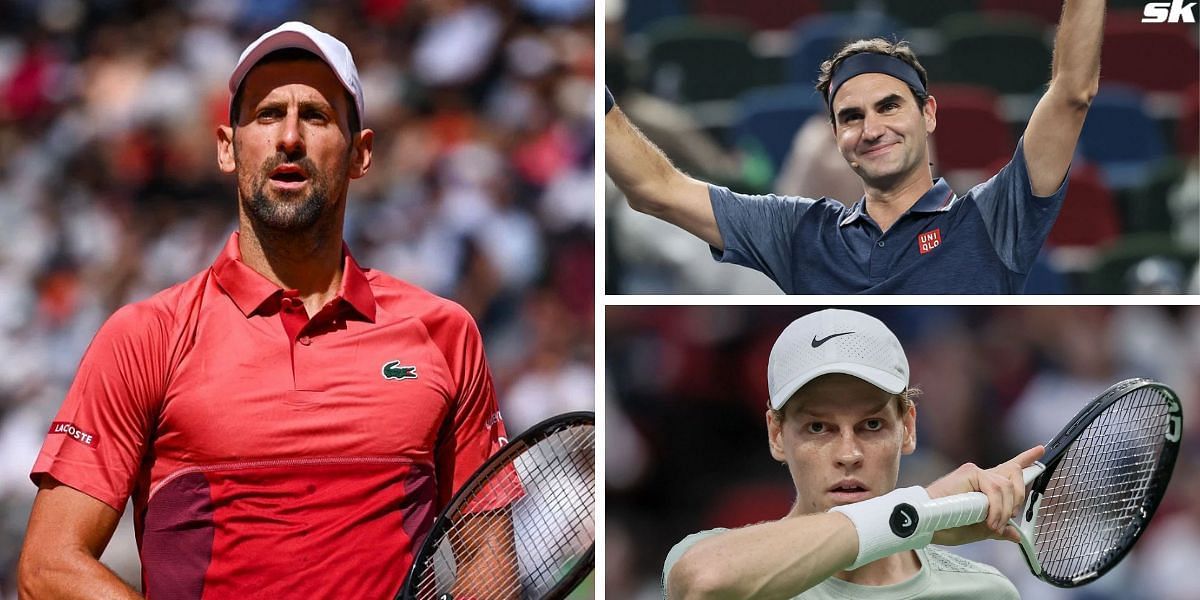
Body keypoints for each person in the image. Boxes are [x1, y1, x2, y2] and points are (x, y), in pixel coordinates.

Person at [17, 22, 514, 599]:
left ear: (361, 154)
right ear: (228, 147)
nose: (290, 138)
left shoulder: (445, 332)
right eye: (268, 114)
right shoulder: (144, 336)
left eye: (317, 116)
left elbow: (486, 556)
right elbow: (48, 569)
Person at [606, 1, 1107, 294]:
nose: (871, 129)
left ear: (928, 114)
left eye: (889, 107)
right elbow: (656, 189)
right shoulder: (799, 229)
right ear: (836, 136)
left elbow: (1072, 94)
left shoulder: (993, 218)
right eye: (851, 117)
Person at [663, 309, 1043, 598]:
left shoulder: (985, 592)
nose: (848, 453)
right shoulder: (711, 559)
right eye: (818, 427)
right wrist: (916, 511)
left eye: (872, 425)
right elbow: (702, 582)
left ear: (907, 428)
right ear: (777, 435)